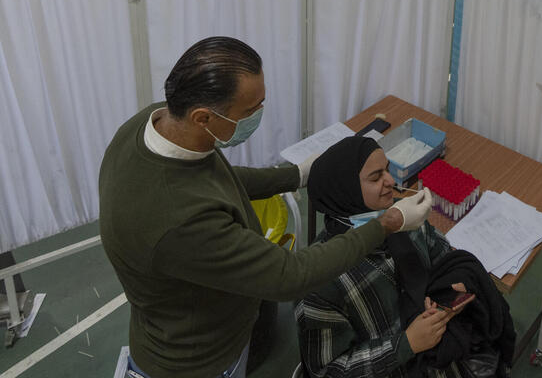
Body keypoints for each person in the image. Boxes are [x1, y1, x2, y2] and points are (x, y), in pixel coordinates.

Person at [99, 37, 434, 378]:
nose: (259, 115)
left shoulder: (159, 123)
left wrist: (294, 175)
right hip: (198, 360)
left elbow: (214, 175)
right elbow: (291, 276)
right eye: (250, 111)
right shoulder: (178, 220)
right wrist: (388, 223)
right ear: (203, 117)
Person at [295, 137, 483, 377]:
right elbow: (328, 371)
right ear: (346, 190)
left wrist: (453, 285)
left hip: (436, 356)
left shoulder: (404, 217)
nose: (392, 181)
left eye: (387, 169)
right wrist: (407, 344)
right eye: (376, 177)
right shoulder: (318, 283)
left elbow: (443, 255)